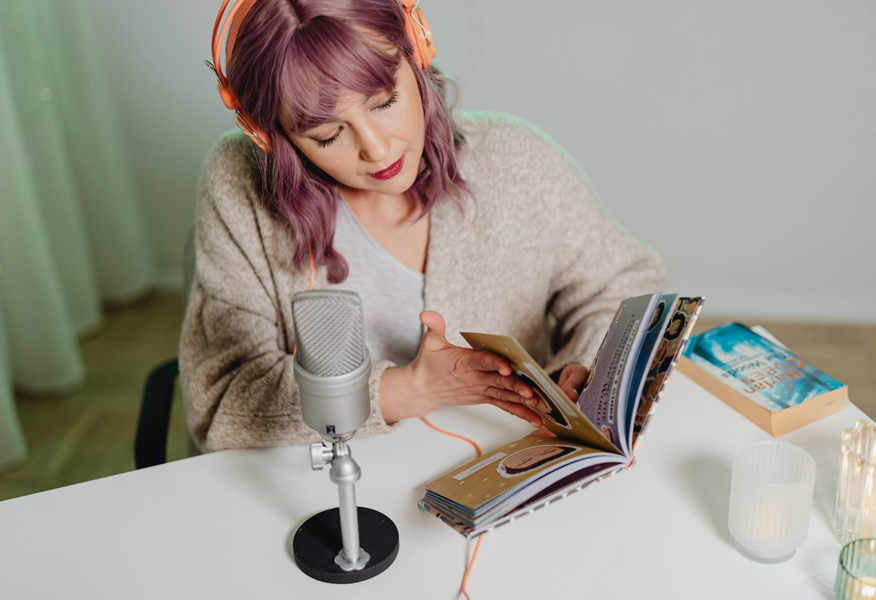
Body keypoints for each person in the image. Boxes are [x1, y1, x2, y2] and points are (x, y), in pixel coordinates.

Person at [179, 0, 666, 452]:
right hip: (324, 491)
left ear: (417, 50)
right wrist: (407, 391)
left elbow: (625, 286)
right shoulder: (237, 182)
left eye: (384, 101)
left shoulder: (515, 159)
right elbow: (217, 405)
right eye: (328, 134)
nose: (376, 148)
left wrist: (585, 366)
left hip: (493, 464)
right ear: (269, 136)